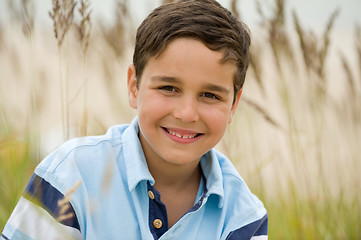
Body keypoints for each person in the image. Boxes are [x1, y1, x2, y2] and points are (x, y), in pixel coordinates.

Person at [1, 0, 268, 239]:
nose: (187, 113)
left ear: (234, 104)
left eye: (209, 95)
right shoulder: (72, 175)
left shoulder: (242, 216)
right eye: (168, 88)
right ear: (133, 86)